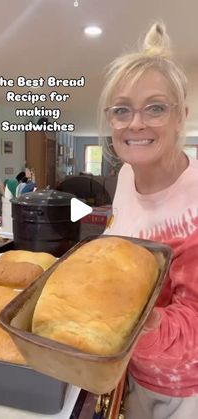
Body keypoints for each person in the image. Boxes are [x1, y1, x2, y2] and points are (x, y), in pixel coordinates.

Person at [99, 21, 198, 419]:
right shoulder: (126, 174)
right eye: (122, 110)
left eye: (155, 107)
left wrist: (130, 320)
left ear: (181, 117)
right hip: (132, 372)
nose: (135, 123)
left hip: (187, 392)